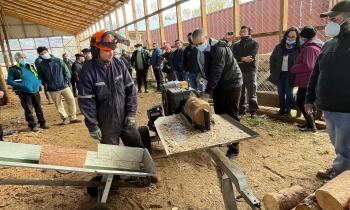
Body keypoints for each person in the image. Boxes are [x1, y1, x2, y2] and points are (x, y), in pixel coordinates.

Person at [305, 0, 350, 179]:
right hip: (328, 105)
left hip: (346, 107)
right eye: (329, 19)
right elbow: (315, 73)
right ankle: (341, 169)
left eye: (334, 18)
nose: (330, 22)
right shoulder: (328, 44)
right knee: (337, 142)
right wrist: (309, 98)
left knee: (345, 145)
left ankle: (341, 179)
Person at [78, 30, 144, 148]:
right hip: (106, 122)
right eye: (107, 50)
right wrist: (93, 125)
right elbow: (86, 101)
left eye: (113, 50)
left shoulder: (118, 64)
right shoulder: (87, 71)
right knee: (112, 155)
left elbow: (131, 90)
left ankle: (141, 166)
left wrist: (131, 113)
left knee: (137, 148)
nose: (111, 53)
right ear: (96, 50)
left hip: (125, 115)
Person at [192, 28, 243, 159]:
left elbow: (216, 71)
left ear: (206, 38)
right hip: (220, 84)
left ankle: (234, 148)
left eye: (199, 43)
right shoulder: (203, 50)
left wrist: (207, 93)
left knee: (231, 114)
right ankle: (226, 138)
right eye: (195, 45)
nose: (198, 47)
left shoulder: (219, 48)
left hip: (232, 83)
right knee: (220, 113)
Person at [36, 46, 81, 125]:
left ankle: (73, 118)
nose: (44, 54)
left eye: (45, 52)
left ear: (48, 51)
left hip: (64, 85)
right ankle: (64, 118)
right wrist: (47, 84)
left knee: (71, 100)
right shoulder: (41, 65)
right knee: (58, 104)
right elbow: (41, 76)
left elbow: (66, 71)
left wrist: (67, 80)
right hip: (52, 88)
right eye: (42, 54)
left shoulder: (58, 60)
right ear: (39, 55)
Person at [290, 26, 323, 132]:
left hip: (307, 80)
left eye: (301, 36)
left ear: (305, 37)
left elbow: (308, 66)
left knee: (302, 102)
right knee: (302, 101)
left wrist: (293, 68)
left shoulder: (310, 48)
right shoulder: (312, 45)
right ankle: (309, 123)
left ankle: (312, 126)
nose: (300, 38)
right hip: (307, 80)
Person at [7, 52, 50, 132]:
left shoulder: (30, 66)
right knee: (28, 109)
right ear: (17, 59)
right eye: (22, 57)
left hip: (35, 90)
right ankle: (32, 125)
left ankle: (42, 123)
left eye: (25, 57)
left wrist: (38, 81)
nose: (24, 59)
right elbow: (9, 81)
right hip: (24, 92)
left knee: (39, 108)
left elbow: (36, 75)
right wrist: (21, 86)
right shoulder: (13, 69)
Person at [269, 27, 300, 118]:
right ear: (286, 36)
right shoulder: (279, 47)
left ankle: (288, 111)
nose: (290, 38)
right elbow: (272, 59)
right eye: (289, 36)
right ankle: (282, 109)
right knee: (281, 92)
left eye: (293, 36)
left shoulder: (298, 49)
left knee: (289, 93)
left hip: (291, 74)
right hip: (280, 73)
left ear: (297, 37)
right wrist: (273, 71)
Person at [231, 26, 259, 116]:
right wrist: (243, 58)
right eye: (241, 31)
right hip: (239, 71)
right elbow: (233, 57)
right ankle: (241, 110)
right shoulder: (236, 45)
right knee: (241, 91)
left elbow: (251, 57)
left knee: (252, 91)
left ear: (249, 32)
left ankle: (253, 111)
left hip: (250, 71)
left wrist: (240, 59)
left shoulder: (254, 43)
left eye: (244, 31)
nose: (242, 32)